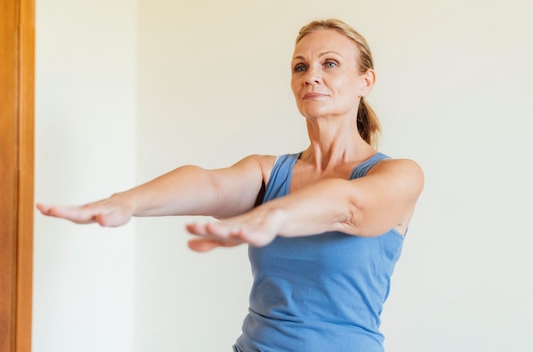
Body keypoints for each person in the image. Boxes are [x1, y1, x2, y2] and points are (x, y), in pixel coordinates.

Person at [38, 18, 424, 352]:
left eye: (330, 64)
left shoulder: (396, 175)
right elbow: (209, 184)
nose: (311, 76)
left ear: (365, 81)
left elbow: (349, 206)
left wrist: (272, 216)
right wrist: (126, 203)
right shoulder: (271, 173)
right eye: (300, 66)